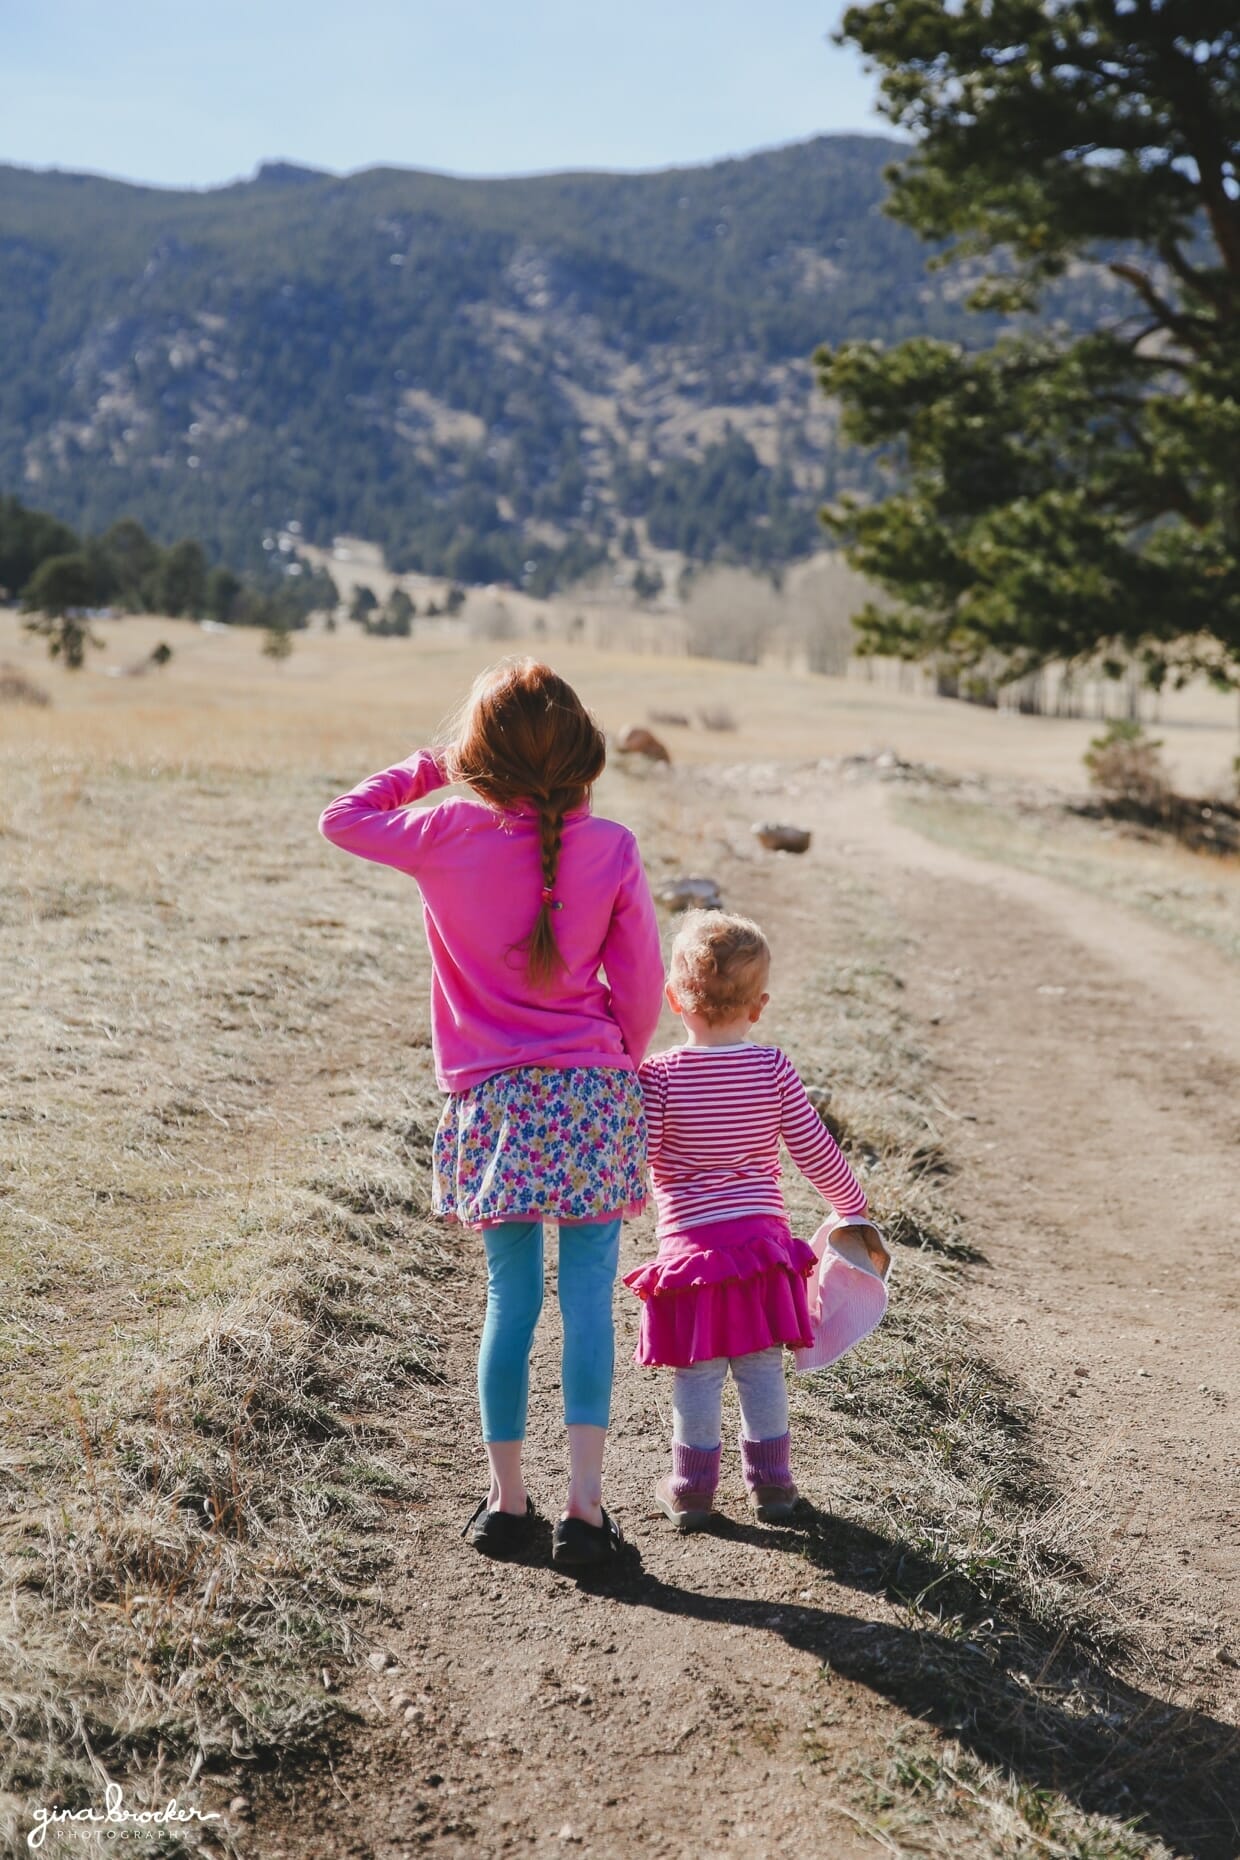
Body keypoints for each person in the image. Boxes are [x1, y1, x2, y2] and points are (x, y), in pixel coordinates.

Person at [319, 659, 664, 1568]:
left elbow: (341, 819)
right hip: (592, 1095)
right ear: (586, 754)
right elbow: (641, 987)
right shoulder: (615, 847)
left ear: (480, 757)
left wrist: (432, 765)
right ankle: (586, 1513)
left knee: (511, 1300)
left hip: (497, 1105)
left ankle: (507, 1506)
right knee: (589, 1300)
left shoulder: (441, 831)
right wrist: (617, 1066)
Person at [623, 910, 869, 1528]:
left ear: (674, 999)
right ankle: (774, 1487)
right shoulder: (771, 1068)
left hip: (691, 1256)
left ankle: (692, 1491)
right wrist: (850, 1206)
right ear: (758, 1006)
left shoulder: (659, 1077)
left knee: (699, 1374)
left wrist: (616, 1208)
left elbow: (636, 1156)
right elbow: (814, 1147)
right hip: (762, 1248)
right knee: (761, 1368)